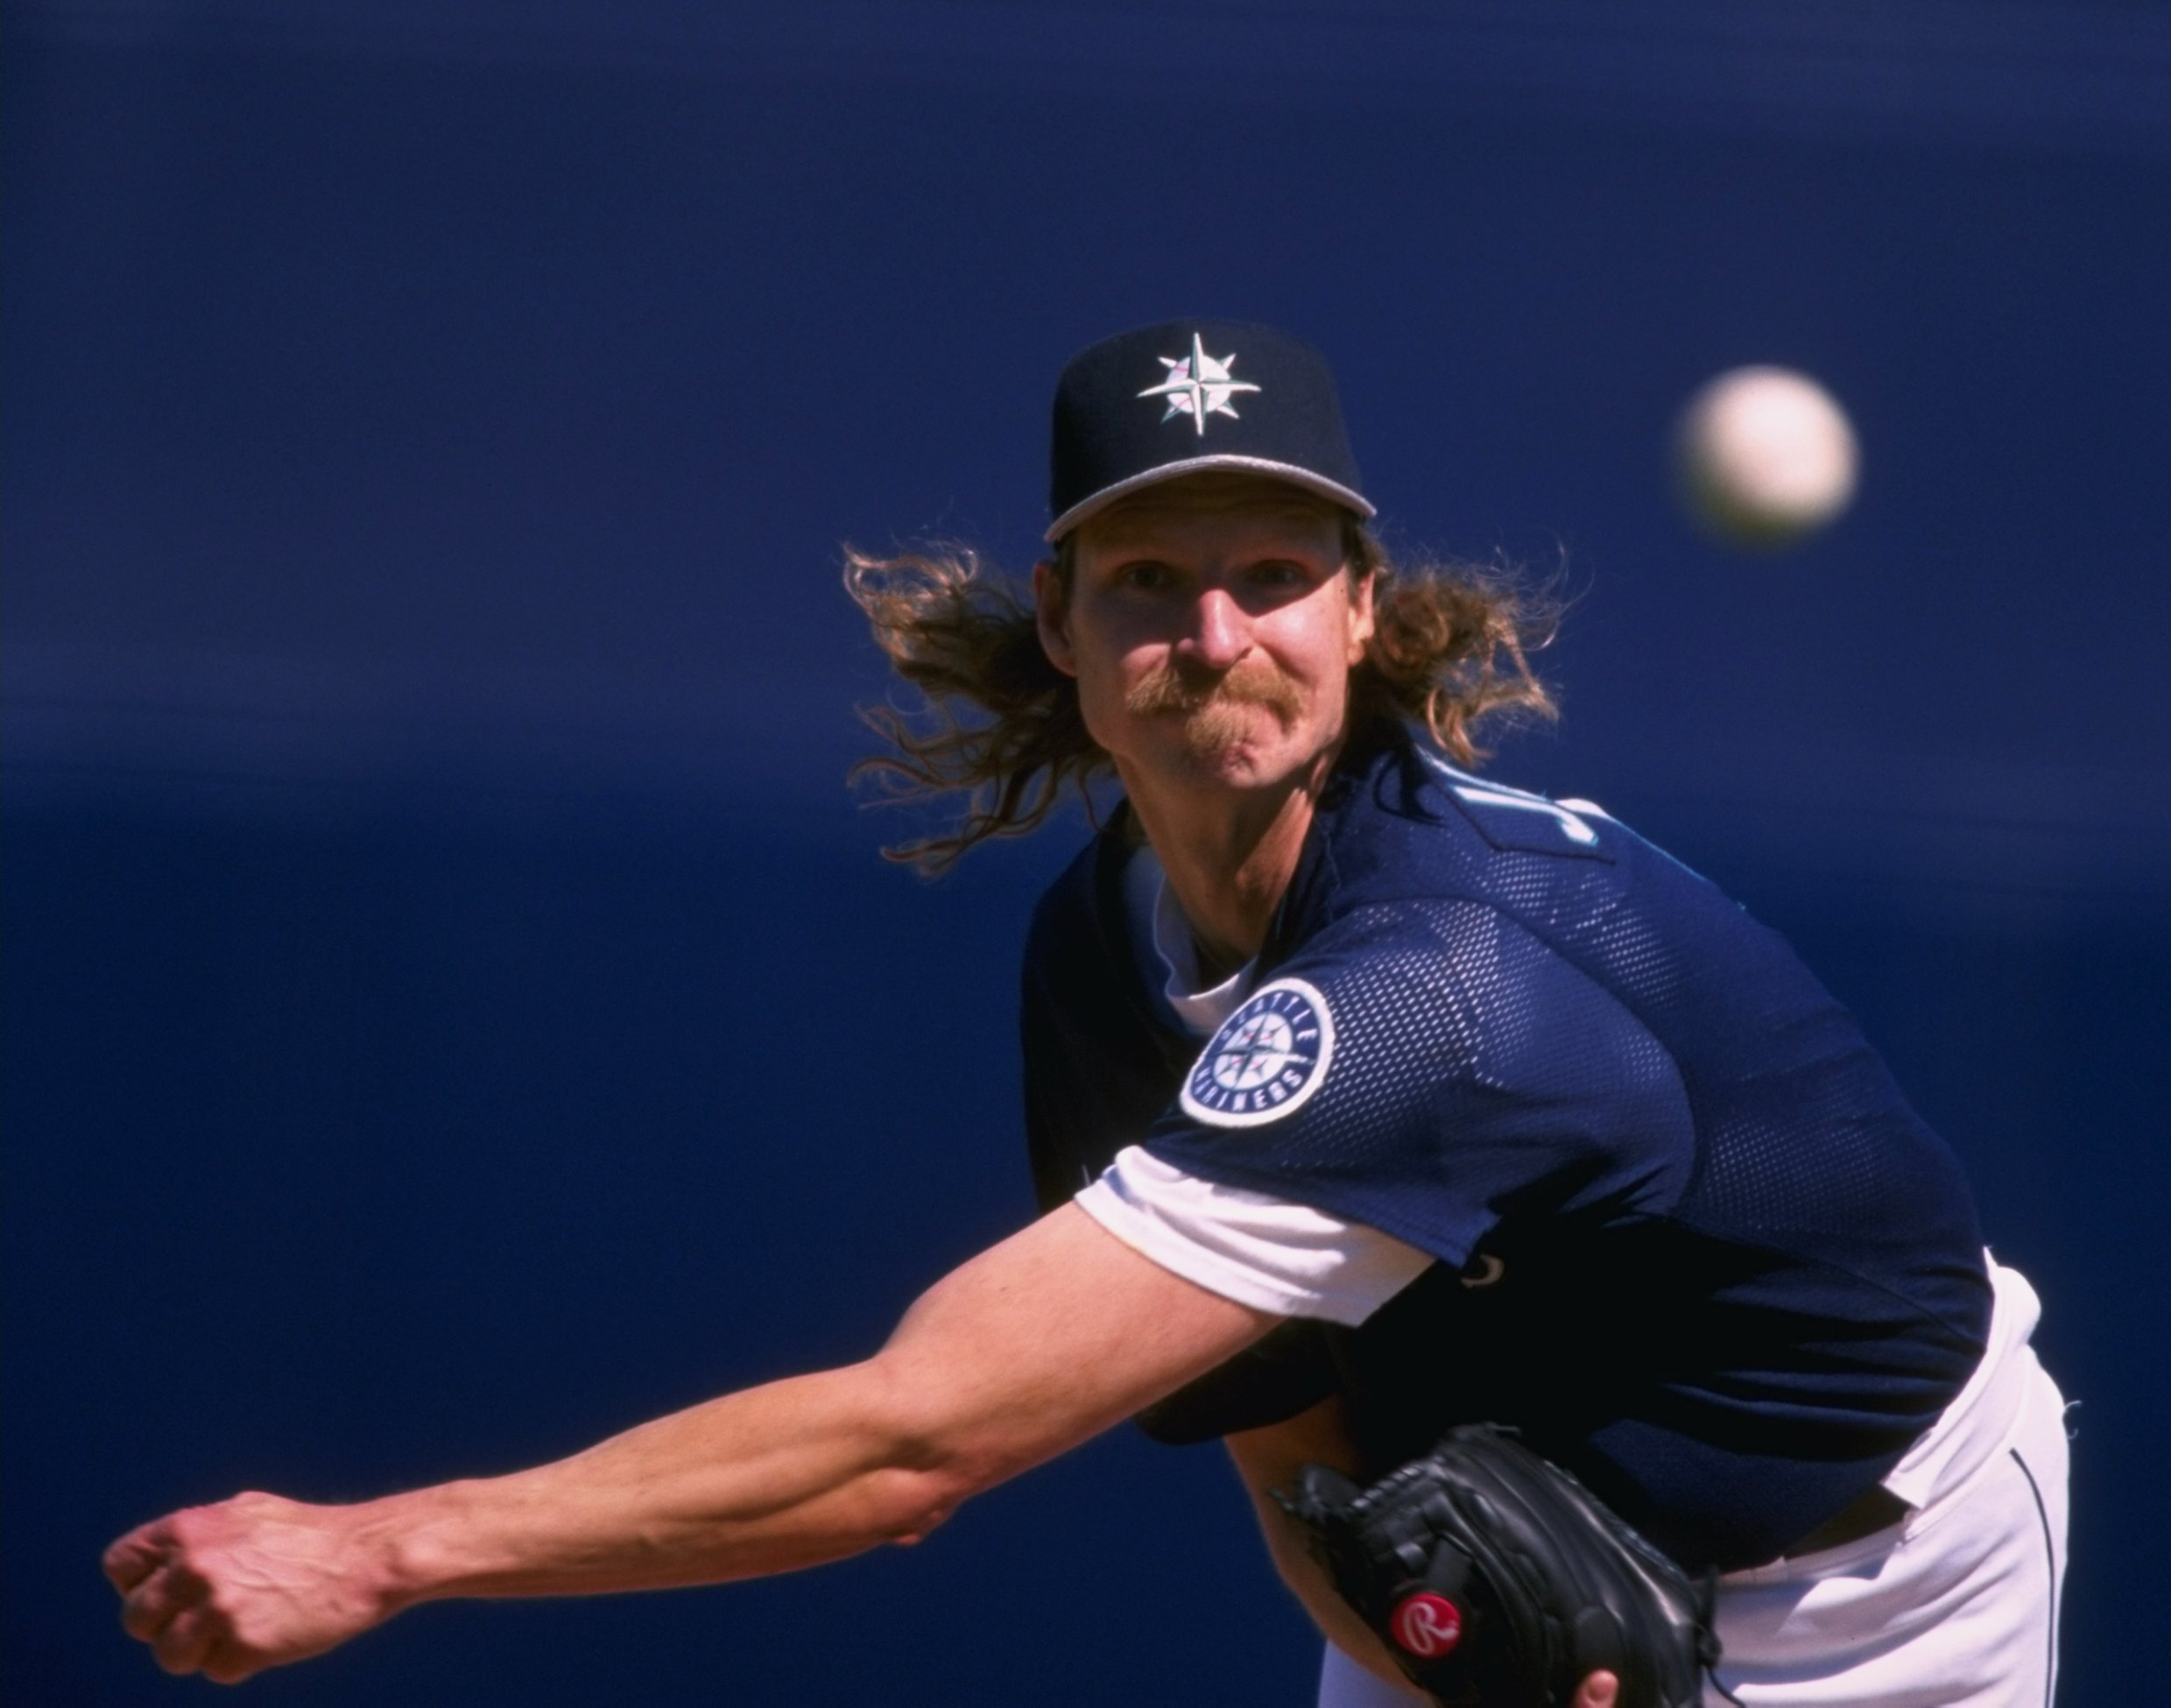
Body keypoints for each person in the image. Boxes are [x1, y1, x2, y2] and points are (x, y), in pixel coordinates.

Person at [106, 320, 2067, 1705]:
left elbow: (909, 1453)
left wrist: (382, 1549)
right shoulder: (1111, 947)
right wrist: (1417, 1655)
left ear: (1362, 612)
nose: (1216, 637)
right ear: (1061, 623)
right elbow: (1280, 1425)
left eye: (1273, 575)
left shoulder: (1438, 987)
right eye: (1150, 577)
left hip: (1892, 1590)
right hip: (1530, 1592)